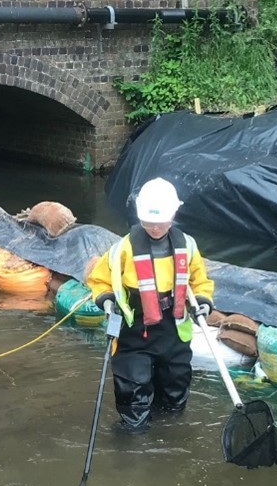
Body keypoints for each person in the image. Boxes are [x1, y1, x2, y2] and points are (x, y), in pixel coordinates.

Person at [86, 177, 215, 432]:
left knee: (175, 388)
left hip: (173, 331)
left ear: (173, 214)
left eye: (161, 221)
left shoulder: (186, 246)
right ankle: (133, 436)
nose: (155, 228)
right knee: (132, 390)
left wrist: (202, 302)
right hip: (134, 332)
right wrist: (107, 300)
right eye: (149, 221)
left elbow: (200, 281)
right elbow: (100, 280)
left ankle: (171, 431)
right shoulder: (123, 249)